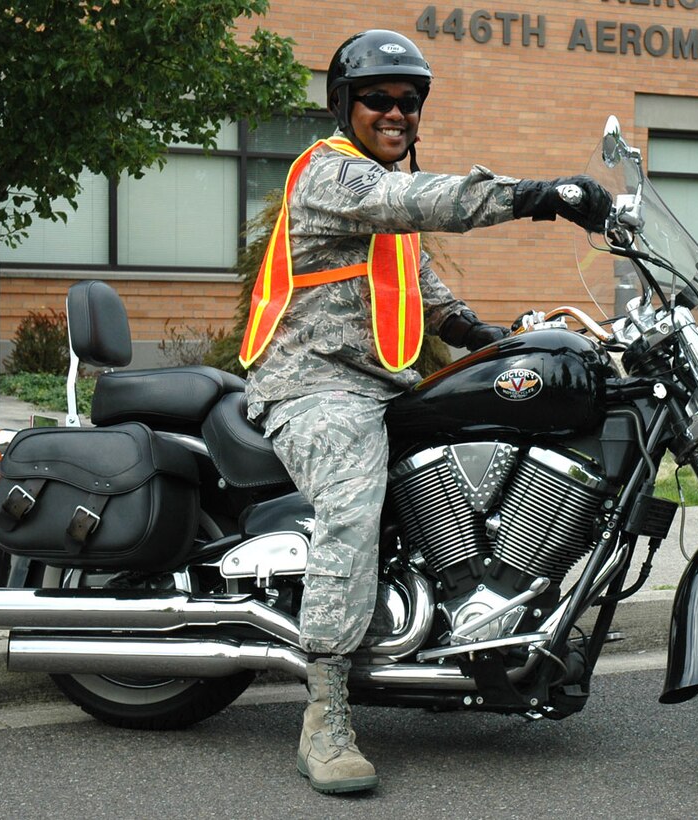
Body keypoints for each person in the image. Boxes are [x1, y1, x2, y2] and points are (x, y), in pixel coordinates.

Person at [239, 29, 611, 795]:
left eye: (409, 101)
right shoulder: (332, 177)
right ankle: (326, 713)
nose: (396, 112)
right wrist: (536, 195)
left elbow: (424, 293)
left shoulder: (378, 200)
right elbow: (415, 199)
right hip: (313, 386)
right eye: (379, 98)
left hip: (379, 384)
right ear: (345, 104)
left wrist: (486, 335)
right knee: (351, 504)